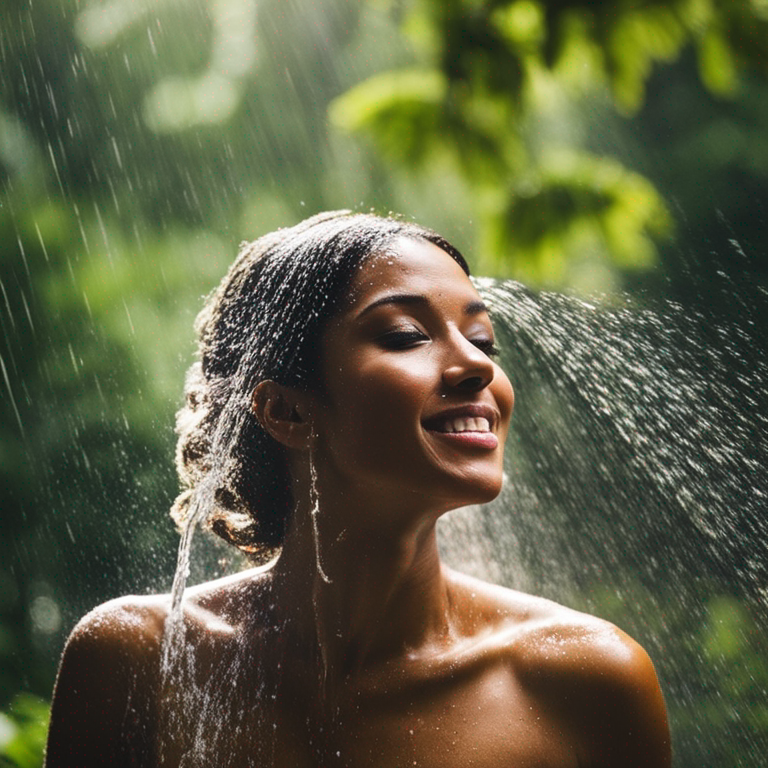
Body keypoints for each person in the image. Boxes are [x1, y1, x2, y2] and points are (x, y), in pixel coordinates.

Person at [46, 211, 671, 767]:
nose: (479, 365)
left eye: (482, 340)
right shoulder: (139, 663)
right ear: (286, 412)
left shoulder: (586, 681)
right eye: (405, 335)